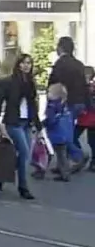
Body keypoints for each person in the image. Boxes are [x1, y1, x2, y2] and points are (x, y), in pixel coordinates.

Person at [0, 53, 39, 200]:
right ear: (18, 65)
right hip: (13, 122)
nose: (26, 66)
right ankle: (23, 187)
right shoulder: (8, 82)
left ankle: (2, 176)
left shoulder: (30, 83)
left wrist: (38, 124)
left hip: (26, 122)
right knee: (24, 153)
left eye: (29, 63)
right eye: (24, 63)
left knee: (23, 155)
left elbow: (32, 105)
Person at [47, 36, 88, 167]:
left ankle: (78, 156)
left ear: (60, 48)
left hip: (64, 103)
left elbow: (54, 84)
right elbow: (84, 85)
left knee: (61, 134)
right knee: (65, 132)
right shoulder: (79, 64)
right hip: (79, 102)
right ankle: (63, 165)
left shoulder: (60, 64)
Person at [40, 83, 75, 182]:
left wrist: (43, 124)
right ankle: (63, 170)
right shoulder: (64, 104)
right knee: (62, 154)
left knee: (53, 153)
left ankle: (63, 174)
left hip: (56, 134)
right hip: (65, 133)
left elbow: (51, 120)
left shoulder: (52, 105)